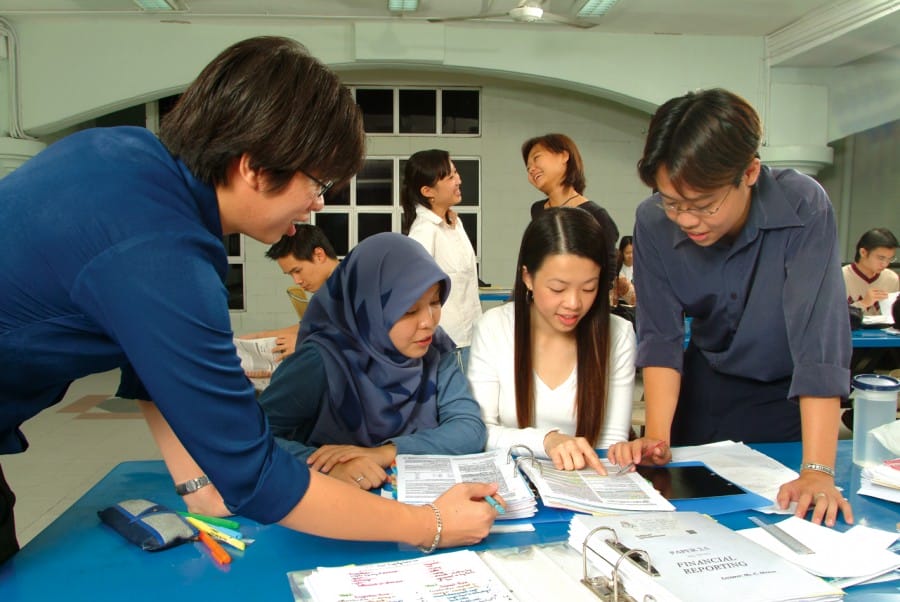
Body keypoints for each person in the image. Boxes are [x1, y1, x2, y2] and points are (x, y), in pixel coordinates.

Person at [0, 36, 500, 565]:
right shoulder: (164, 253)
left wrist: (197, 487)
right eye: (317, 182)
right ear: (255, 168)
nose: (317, 205)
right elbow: (258, 473)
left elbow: (141, 363)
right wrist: (432, 524)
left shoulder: (129, 159)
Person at [606, 88, 853, 528]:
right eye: (672, 202)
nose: (685, 219)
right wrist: (658, 435)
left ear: (750, 172)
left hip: (787, 395)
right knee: (688, 522)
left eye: (702, 205)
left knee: (783, 520)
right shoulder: (652, 221)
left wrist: (818, 470)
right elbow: (660, 335)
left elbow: (819, 339)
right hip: (704, 388)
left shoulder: (803, 205)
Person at [259, 233, 486, 489]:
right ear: (368, 309)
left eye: (435, 302)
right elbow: (253, 434)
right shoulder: (323, 360)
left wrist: (386, 452)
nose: (428, 322)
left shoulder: (435, 351)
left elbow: (468, 429)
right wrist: (328, 466)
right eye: (409, 310)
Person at [467, 207, 636, 474]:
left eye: (589, 288)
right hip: (514, 483)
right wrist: (546, 441)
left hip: (589, 484)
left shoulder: (618, 335)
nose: (573, 303)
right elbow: (480, 432)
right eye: (557, 288)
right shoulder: (494, 328)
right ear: (528, 278)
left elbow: (611, 442)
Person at [401, 149, 482, 347]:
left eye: (456, 173)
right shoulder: (424, 232)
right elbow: (412, 290)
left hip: (471, 337)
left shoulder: (455, 222)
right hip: (449, 344)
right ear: (428, 191)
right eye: (450, 177)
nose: (459, 180)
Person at [522, 133, 619, 289]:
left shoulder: (595, 214)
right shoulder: (537, 210)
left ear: (564, 156)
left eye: (537, 158)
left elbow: (607, 272)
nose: (531, 170)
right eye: (527, 168)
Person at [240, 224, 340, 361]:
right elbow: (309, 327)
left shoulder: (354, 287)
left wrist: (306, 344)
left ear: (319, 255)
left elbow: (365, 342)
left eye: (297, 271)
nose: (297, 281)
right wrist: (258, 337)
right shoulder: (325, 294)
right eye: (290, 274)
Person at [842, 228, 898, 316]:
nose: (885, 264)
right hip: (850, 329)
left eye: (890, 259)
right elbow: (831, 317)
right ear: (863, 252)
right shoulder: (840, 277)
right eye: (881, 258)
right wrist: (863, 303)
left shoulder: (891, 279)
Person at [614, 236, 636, 306]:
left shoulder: (642, 268)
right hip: (622, 306)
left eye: (633, 252)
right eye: (627, 253)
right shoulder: (617, 268)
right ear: (622, 253)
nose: (631, 256)